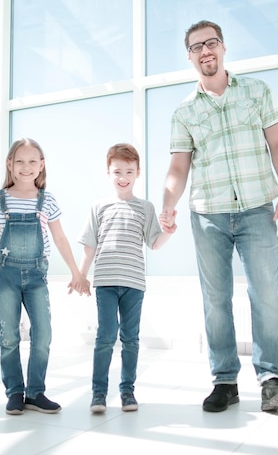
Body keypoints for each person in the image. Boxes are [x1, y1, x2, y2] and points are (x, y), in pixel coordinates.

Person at [160, 20, 278, 413]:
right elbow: (178, 168)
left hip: (257, 207)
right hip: (208, 215)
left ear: (223, 47)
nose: (205, 51)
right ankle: (224, 381)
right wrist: (167, 203)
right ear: (189, 56)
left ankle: (271, 380)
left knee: (266, 292)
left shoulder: (256, 92)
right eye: (196, 47)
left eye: (211, 43)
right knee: (215, 299)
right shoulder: (184, 111)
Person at [0, 138, 89, 416]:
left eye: (32, 161)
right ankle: (15, 392)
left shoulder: (47, 200)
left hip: (36, 275)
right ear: (10, 165)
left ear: (41, 166)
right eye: (20, 161)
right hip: (5, 275)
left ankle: (35, 392)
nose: (26, 167)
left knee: (43, 335)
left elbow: (61, 238)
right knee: (9, 336)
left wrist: (77, 272)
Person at [78, 143, 174, 414]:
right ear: (108, 172)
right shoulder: (99, 207)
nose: (123, 177)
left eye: (129, 171)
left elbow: (155, 243)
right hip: (106, 283)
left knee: (131, 339)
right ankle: (98, 394)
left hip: (134, 284)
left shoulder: (145, 208)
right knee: (105, 336)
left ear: (138, 172)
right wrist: (81, 276)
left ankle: (127, 392)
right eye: (117, 171)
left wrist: (169, 231)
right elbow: (89, 246)